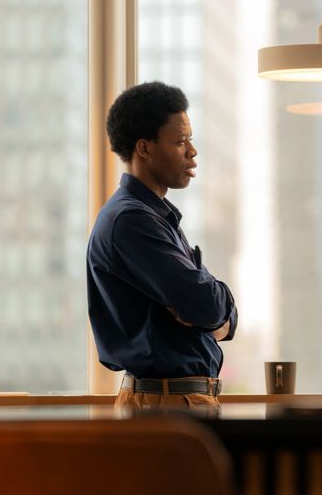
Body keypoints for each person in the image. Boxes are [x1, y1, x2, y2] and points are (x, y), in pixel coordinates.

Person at [86, 81, 237, 411]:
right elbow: (203, 305)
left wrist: (213, 311)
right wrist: (208, 312)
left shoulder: (154, 216)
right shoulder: (132, 220)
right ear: (144, 148)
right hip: (166, 402)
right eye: (180, 141)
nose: (192, 151)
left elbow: (210, 308)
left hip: (173, 398)